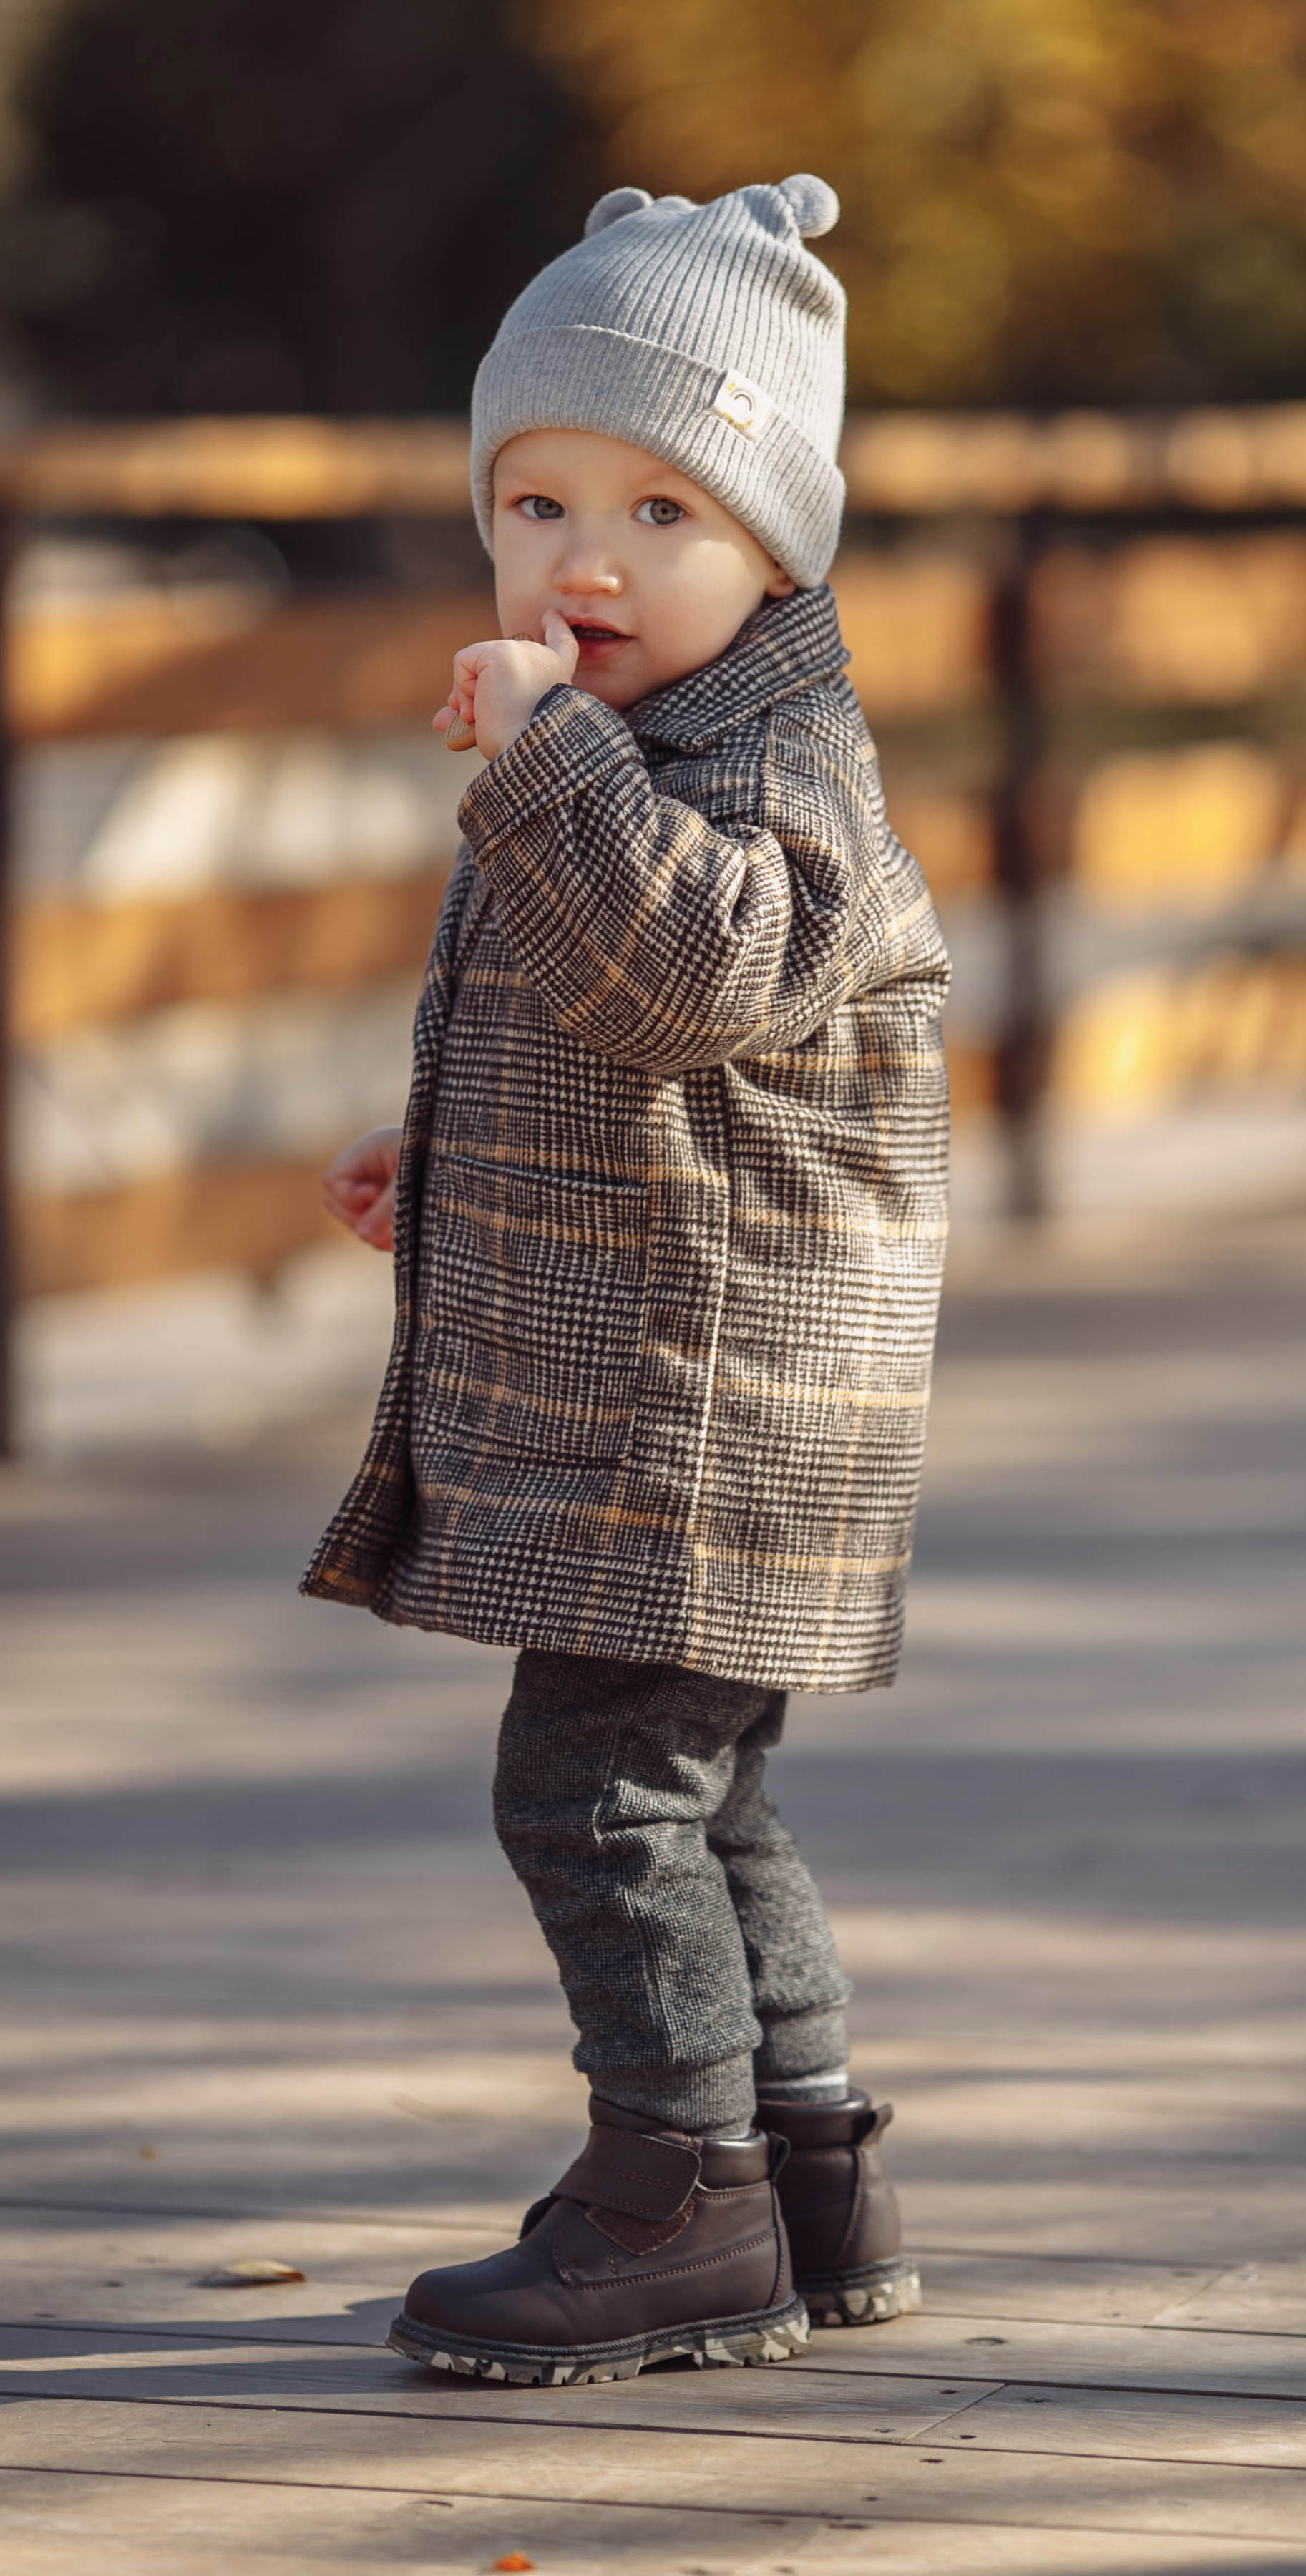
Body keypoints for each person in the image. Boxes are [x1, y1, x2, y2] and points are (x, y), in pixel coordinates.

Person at [309, 174, 950, 2389]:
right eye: (535, 498)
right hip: (695, 1381)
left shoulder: (762, 757)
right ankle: (804, 2164)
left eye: (662, 510)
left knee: (588, 1795)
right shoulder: (668, 743)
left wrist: (548, 754)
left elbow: (692, 971)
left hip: (711, 1404)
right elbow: (638, 1033)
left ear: (782, 546)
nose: (581, 560)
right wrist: (457, 1147)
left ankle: (670, 2196)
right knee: (702, 1793)